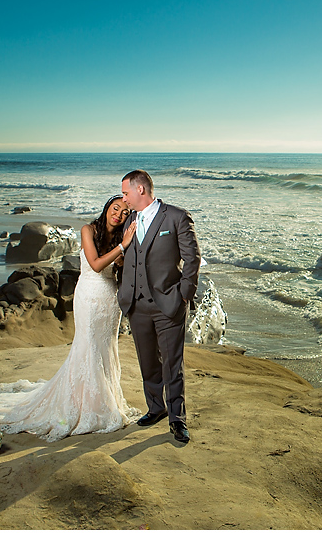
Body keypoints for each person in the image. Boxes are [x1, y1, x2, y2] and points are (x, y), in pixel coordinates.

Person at [0, 195, 140, 442]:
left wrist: (125, 249)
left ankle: (105, 400)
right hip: (90, 296)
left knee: (106, 348)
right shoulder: (89, 230)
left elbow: (119, 267)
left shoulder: (120, 238)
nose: (118, 213)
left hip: (110, 299)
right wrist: (123, 246)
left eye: (124, 211)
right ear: (107, 207)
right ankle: (82, 405)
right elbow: (96, 265)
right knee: (87, 348)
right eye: (115, 208)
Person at [118, 170, 201, 443]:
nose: (123, 198)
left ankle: (178, 419)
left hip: (169, 303)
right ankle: (156, 408)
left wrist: (183, 295)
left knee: (172, 365)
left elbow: (193, 259)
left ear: (140, 189)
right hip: (136, 304)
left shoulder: (176, 217)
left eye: (125, 193)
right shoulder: (129, 220)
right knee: (148, 361)